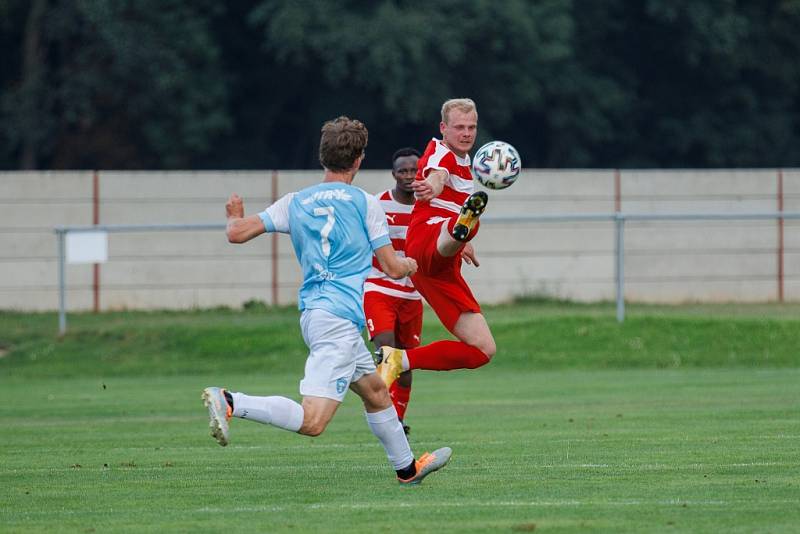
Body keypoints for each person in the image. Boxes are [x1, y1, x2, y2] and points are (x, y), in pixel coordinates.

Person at [202, 116, 451, 485]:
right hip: (337, 321)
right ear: (358, 160)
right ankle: (231, 401)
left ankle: (407, 469)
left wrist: (234, 216)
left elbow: (237, 234)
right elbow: (393, 268)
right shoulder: (367, 204)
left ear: (323, 158)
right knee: (313, 422)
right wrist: (414, 261)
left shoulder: (295, 201)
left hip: (319, 315)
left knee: (377, 393)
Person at [375, 98, 496, 387]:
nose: (466, 133)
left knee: (483, 350)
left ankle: (398, 360)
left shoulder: (465, 163)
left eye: (472, 127)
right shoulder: (440, 154)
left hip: (440, 269)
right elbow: (437, 177)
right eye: (459, 128)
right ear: (443, 128)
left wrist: (460, 243)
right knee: (462, 226)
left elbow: (447, 186)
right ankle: (459, 228)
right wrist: (431, 187)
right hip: (424, 239)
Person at [363, 147, 423, 434]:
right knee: (387, 355)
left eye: (414, 170)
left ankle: (397, 419)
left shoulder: (428, 206)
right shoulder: (377, 204)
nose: (409, 176)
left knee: (406, 366)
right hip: (379, 290)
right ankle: (384, 420)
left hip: (412, 296)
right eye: (403, 171)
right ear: (393, 174)